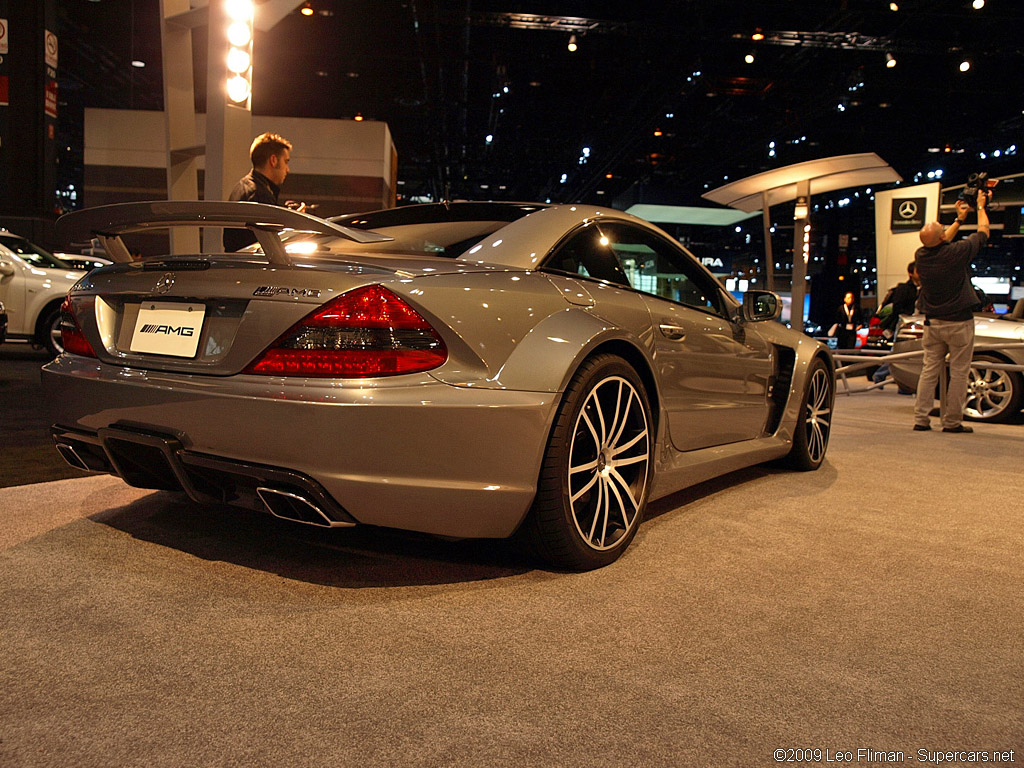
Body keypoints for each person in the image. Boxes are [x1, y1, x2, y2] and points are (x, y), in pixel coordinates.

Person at [912, 190, 990, 433]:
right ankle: (952, 422)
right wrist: (979, 207)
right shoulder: (955, 253)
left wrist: (959, 219)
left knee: (929, 370)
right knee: (959, 373)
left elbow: (940, 238)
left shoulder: (921, 256)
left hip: (933, 324)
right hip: (959, 323)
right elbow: (984, 232)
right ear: (942, 238)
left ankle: (921, 420)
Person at [223, 132, 300, 252]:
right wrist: (294, 221)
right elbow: (271, 244)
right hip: (252, 268)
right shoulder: (259, 195)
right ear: (273, 160)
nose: (288, 170)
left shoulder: (243, 186)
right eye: (286, 161)